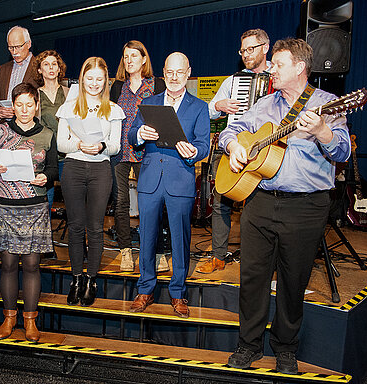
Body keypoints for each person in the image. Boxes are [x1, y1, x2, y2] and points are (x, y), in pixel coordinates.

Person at [221, 38, 350, 374]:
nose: (271, 70)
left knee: (293, 281)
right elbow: (230, 131)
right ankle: (248, 346)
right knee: (252, 278)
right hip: (260, 201)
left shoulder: (330, 104)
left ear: (299, 67)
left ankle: (286, 348)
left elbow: (342, 152)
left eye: (278, 65)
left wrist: (322, 131)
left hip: (306, 206)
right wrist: (234, 145)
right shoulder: (264, 105)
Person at [128, 52, 210, 318]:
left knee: (180, 240)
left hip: (181, 180)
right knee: (147, 237)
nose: (174, 78)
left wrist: (194, 152)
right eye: (170, 73)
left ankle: (178, 293)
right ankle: (145, 288)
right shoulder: (149, 103)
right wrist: (139, 134)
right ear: (163, 73)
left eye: (180, 72)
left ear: (188, 73)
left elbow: (204, 144)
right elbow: (131, 135)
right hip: (150, 179)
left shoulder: (199, 107)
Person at [0, 83, 58, 342]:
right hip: (4, 205)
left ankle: (29, 321)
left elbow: (53, 170)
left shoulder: (47, 134)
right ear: (12, 106)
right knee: (6, 264)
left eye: (29, 104)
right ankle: (9, 318)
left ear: (36, 105)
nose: (24, 110)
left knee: (31, 265)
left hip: (34, 206)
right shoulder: (0, 130)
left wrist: (44, 178)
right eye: (19, 105)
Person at [197, 28, 271, 275]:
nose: (246, 55)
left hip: (263, 149)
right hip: (230, 146)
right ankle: (218, 255)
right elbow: (207, 111)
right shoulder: (233, 81)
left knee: (257, 205)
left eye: (251, 49)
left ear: (265, 48)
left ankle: (256, 259)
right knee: (220, 202)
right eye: (243, 50)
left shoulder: (278, 76)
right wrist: (218, 105)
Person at [56, 57, 124, 307]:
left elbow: (116, 146)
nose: (94, 83)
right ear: (82, 79)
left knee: (95, 228)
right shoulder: (69, 107)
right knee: (75, 226)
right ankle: (76, 278)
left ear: (106, 81)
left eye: (99, 79)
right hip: (73, 167)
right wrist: (79, 144)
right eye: (89, 78)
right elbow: (61, 144)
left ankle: (92, 279)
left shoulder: (113, 109)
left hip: (100, 170)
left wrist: (102, 146)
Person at [109, 40, 166, 273]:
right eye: (126, 56)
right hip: (121, 151)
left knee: (150, 203)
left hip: (149, 151)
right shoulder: (117, 87)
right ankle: (125, 251)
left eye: (134, 55)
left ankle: (158, 251)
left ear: (144, 59)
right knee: (121, 203)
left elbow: (164, 118)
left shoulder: (157, 85)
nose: (129, 60)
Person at [34, 50, 69, 210]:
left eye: (54, 64)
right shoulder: (35, 95)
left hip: (67, 154)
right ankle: (44, 236)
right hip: (46, 156)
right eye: (46, 64)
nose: (51, 68)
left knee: (72, 200)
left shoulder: (70, 93)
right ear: (40, 70)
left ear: (59, 68)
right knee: (45, 202)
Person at [0, 26, 39, 123]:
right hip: (6, 126)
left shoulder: (39, 67)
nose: (15, 52)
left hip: (29, 126)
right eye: (11, 48)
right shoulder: (2, 69)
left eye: (18, 47)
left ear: (28, 44)